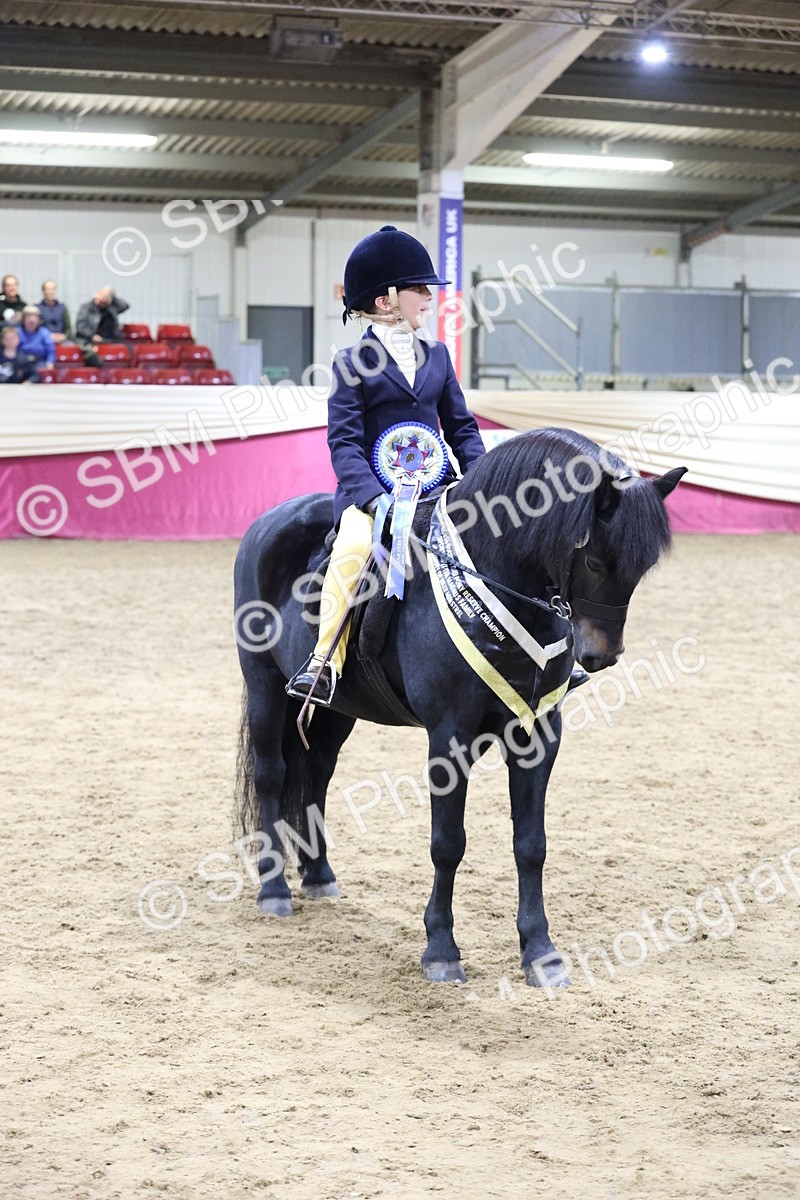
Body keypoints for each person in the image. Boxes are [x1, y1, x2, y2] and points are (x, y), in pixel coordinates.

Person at [286, 224, 487, 707]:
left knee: (504, 538)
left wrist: (483, 479)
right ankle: (323, 663)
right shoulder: (350, 363)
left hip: (437, 490)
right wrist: (374, 500)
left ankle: (537, 656)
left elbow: (461, 428)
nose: (429, 298)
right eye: (420, 289)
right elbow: (344, 443)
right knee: (353, 550)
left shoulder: (438, 357)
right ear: (386, 300)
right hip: (373, 499)